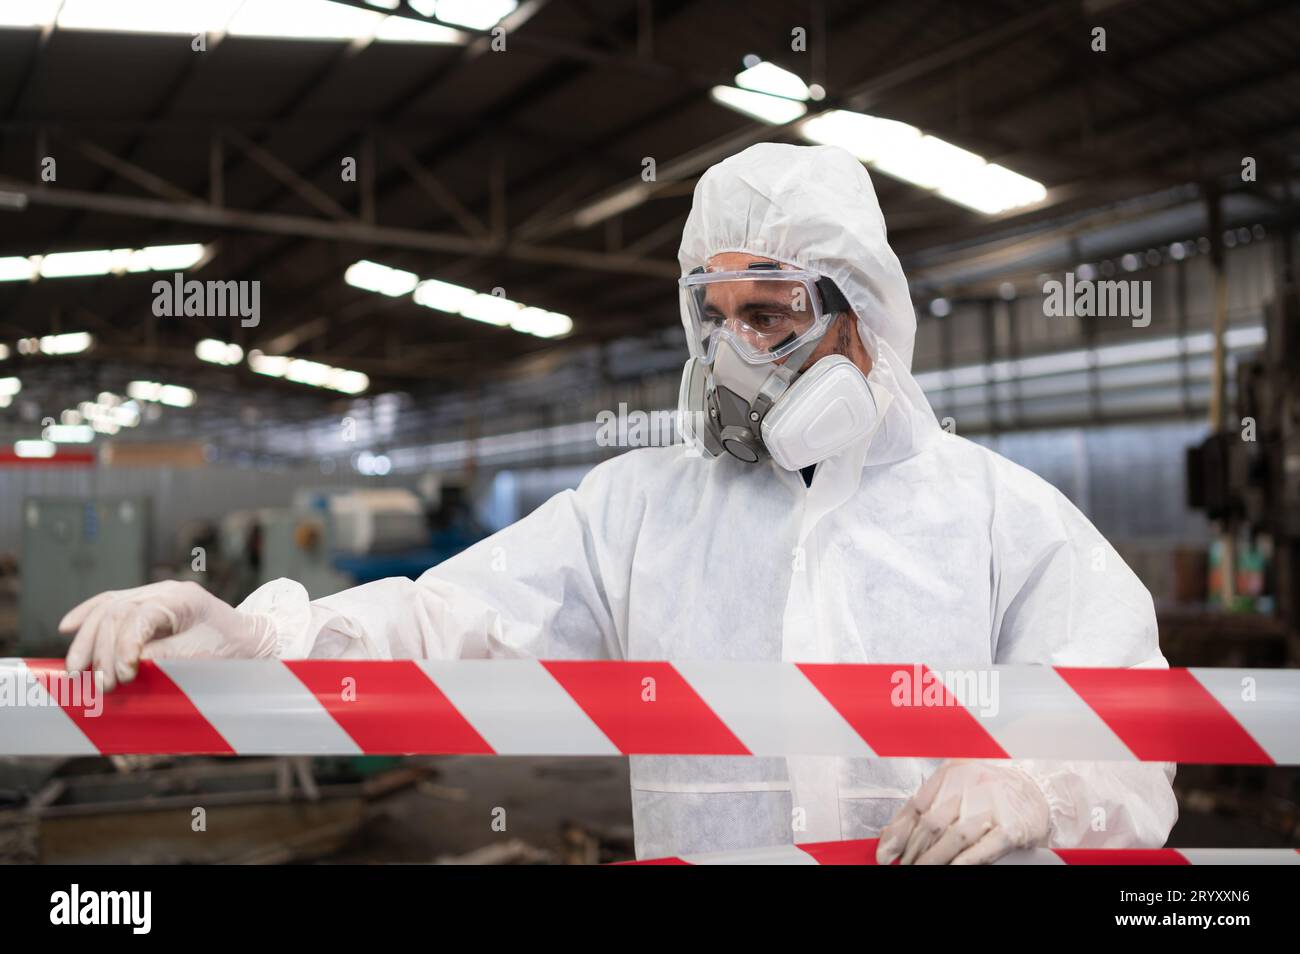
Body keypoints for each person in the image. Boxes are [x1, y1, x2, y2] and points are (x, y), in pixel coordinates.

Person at [60, 143, 1177, 864]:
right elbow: (445, 629)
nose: (736, 354)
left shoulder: (994, 515)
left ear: (861, 318)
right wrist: (248, 637)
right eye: (714, 313)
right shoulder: (638, 511)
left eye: (772, 313)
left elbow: (1132, 719)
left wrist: (1035, 776)